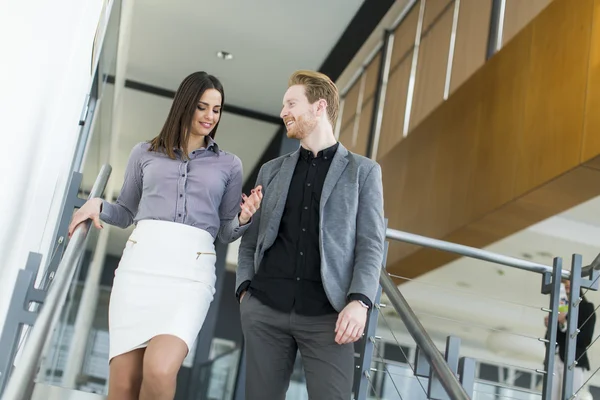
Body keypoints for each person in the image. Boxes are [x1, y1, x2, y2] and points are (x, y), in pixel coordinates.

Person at [68, 71, 262, 400]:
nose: (209, 116)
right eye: (202, 107)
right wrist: (97, 205)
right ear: (184, 105)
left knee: (159, 370)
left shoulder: (229, 165)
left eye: (216, 109)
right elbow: (126, 212)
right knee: (123, 387)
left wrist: (244, 216)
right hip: (138, 271)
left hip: (190, 276)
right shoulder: (143, 153)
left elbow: (227, 231)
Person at [236, 70, 385, 399]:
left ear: (319, 107)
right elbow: (251, 241)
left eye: (291, 103)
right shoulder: (272, 170)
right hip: (265, 309)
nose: (283, 112)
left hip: (329, 318)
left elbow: (371, 245)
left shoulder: (363, 172)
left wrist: (360, 301)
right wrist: (245, 291)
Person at [544, 279, 596, 400]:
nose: (567, 284)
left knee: (570, 397)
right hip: (554, 358)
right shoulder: (560, 306)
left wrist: (564, 322)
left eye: (570, 281)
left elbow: (585, 340)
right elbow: (549, 340)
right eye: (563, 282)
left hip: (573, 360)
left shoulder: (586, 308)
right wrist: (550, 325)